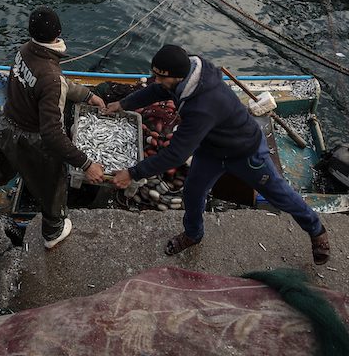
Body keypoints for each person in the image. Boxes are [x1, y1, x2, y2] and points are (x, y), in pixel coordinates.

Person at [106, 44, 332, 265]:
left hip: (246, 152)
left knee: (279, 194)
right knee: (193, 194)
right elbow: (158, 89)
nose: (156, 80)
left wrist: (132, 173)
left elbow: (176, 155)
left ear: (178, 76)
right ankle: (193, 234)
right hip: (212, 151)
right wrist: (124, 103)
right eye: (153, 74)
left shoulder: (202, 106)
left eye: (161, 76)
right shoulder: (185, 74)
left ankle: (316, 230)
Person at [0, 7, 106, 249]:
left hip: (7, 128)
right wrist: (86, 164)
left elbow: (52, 83)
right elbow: (52, 133)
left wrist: (87, 95)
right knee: (53, 188)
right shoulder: (51, 76)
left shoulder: (25, 50)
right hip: (33, 143)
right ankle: (53, 234)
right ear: (58, 33)